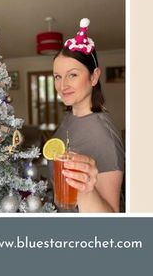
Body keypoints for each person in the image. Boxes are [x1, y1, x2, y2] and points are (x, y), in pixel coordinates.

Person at [50, 18, 124, 213]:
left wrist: (86, 190)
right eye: (58, 76)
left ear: (94, 76)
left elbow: (111, 219)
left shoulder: (103, 137)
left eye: (72, 75)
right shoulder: (70, 116)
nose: (62, 85)